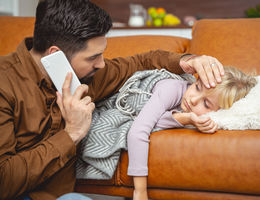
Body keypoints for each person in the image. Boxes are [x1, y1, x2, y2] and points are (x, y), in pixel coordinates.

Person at [0, 0, 224, 199]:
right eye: (93, 57)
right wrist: (72, 134)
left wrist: (189, 61)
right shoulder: (4, 84)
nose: (101, 64)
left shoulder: (89, 76)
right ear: (55, 54)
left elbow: (142, 62)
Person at [127, 66, 257, 200]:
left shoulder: (217, 116)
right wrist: (140, 191)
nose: (193, 99)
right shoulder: (171, 90)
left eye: (206, 104)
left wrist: (184, 119)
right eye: (197, 87)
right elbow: (138, 130)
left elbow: (152, 120)